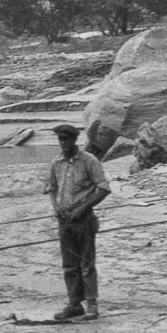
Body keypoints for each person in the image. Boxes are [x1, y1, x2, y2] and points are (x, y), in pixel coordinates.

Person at [45, 123, 111, 321]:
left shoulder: (89, 161)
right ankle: (74, 304)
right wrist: (56, 207)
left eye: (66, 139)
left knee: (86, 264)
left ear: (74, 140)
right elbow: (52, 188)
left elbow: (103, 188)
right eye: (60, 140)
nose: (63, 143)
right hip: (64, 221)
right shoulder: (56, 163)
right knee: (69, 265)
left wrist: (82, 209)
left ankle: (92, 305)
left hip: (84, 220)